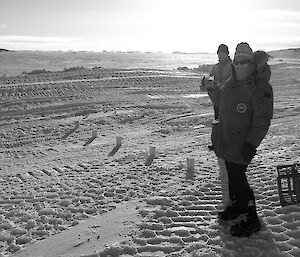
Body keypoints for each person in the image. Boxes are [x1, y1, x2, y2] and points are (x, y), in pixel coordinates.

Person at [211, 42, 274, 237]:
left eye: (244, 62)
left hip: (242, 143)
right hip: (227, 139)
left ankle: (251, 219)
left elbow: (262, 120)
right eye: (236, 61)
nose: (239, 65)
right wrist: (212, 90)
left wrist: (251, 143)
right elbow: (221, 103)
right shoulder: (232, 81)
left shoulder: (260, 87)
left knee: (239, 180)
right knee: (232, 175)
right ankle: (238, 207)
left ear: (252, 64)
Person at [202, 44, 233, 151]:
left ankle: (227, 144)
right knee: (217, 122)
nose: (220, 56)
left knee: (226, 123)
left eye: (222, 54)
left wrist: (219, 84)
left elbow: (232, 81)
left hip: (228, 100)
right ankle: (217, 143)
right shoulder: (216, 66)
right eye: (219, 54)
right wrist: (207, 84)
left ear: (227, 54)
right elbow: (211, 78)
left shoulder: (231, 66)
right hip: (217, 99)